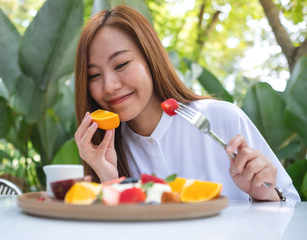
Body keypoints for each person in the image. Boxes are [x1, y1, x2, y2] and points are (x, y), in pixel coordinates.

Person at [74, 5, 300, 202]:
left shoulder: (221, 119)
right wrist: (109, 179)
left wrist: (265, 194)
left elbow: (292, 208)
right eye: (94, 75)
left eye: (121, 64)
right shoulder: (103, 151)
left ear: (151, 58)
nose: (109, 86)